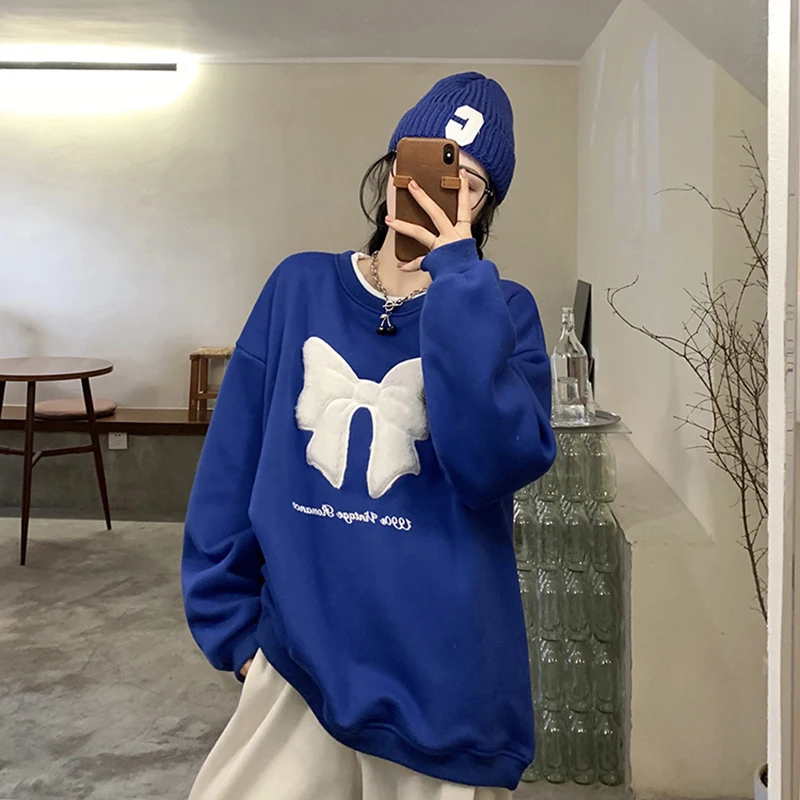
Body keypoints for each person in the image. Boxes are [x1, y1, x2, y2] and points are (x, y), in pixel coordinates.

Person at [181, 72, 557, 800]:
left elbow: (489, 467)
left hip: (442, 687)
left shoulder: (504, 312)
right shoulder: (299, 287)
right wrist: (232, 631)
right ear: (389, 170)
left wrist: (458, 279)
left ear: (483, 208)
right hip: (296, 663)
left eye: (467, 183)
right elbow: (231, 466)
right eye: (424, 163)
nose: (437, 191)